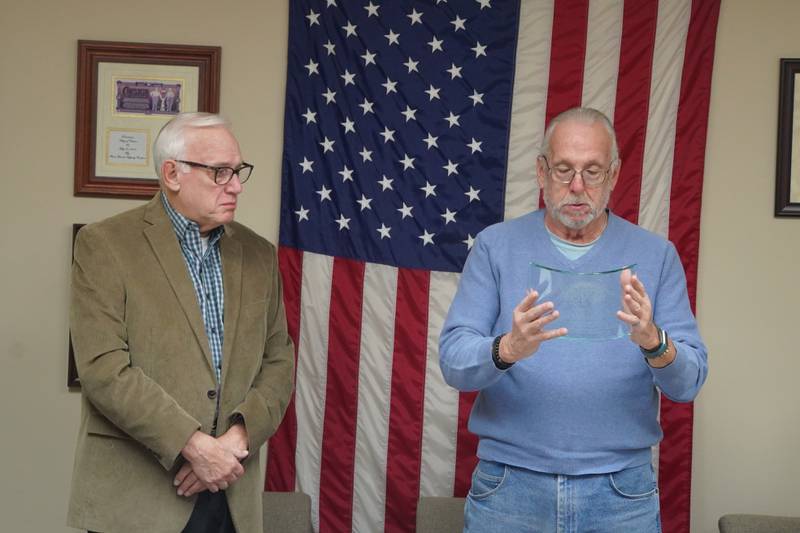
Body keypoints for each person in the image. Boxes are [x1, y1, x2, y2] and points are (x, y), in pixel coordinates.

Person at [439, 107, 708, 532]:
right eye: (564, 170)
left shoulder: (656, 256)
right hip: (510, 486)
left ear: (614, 175)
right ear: (541, 172)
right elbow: (454, 364)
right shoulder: (495, 246)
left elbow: (688, 383)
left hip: (621, 493)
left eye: (593, 171)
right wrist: (508, 348)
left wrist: (654, 342)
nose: (577, 187)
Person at [67, 112, 295, 533]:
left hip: (231, 494)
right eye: (220, 172)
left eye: (238, 171)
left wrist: (235, 442)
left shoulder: (259, 254)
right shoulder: (104, 244)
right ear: (172, 173)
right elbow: (103, 369)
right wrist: (194, 446)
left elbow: (278, 361)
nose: (236, 186)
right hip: (137, 500)